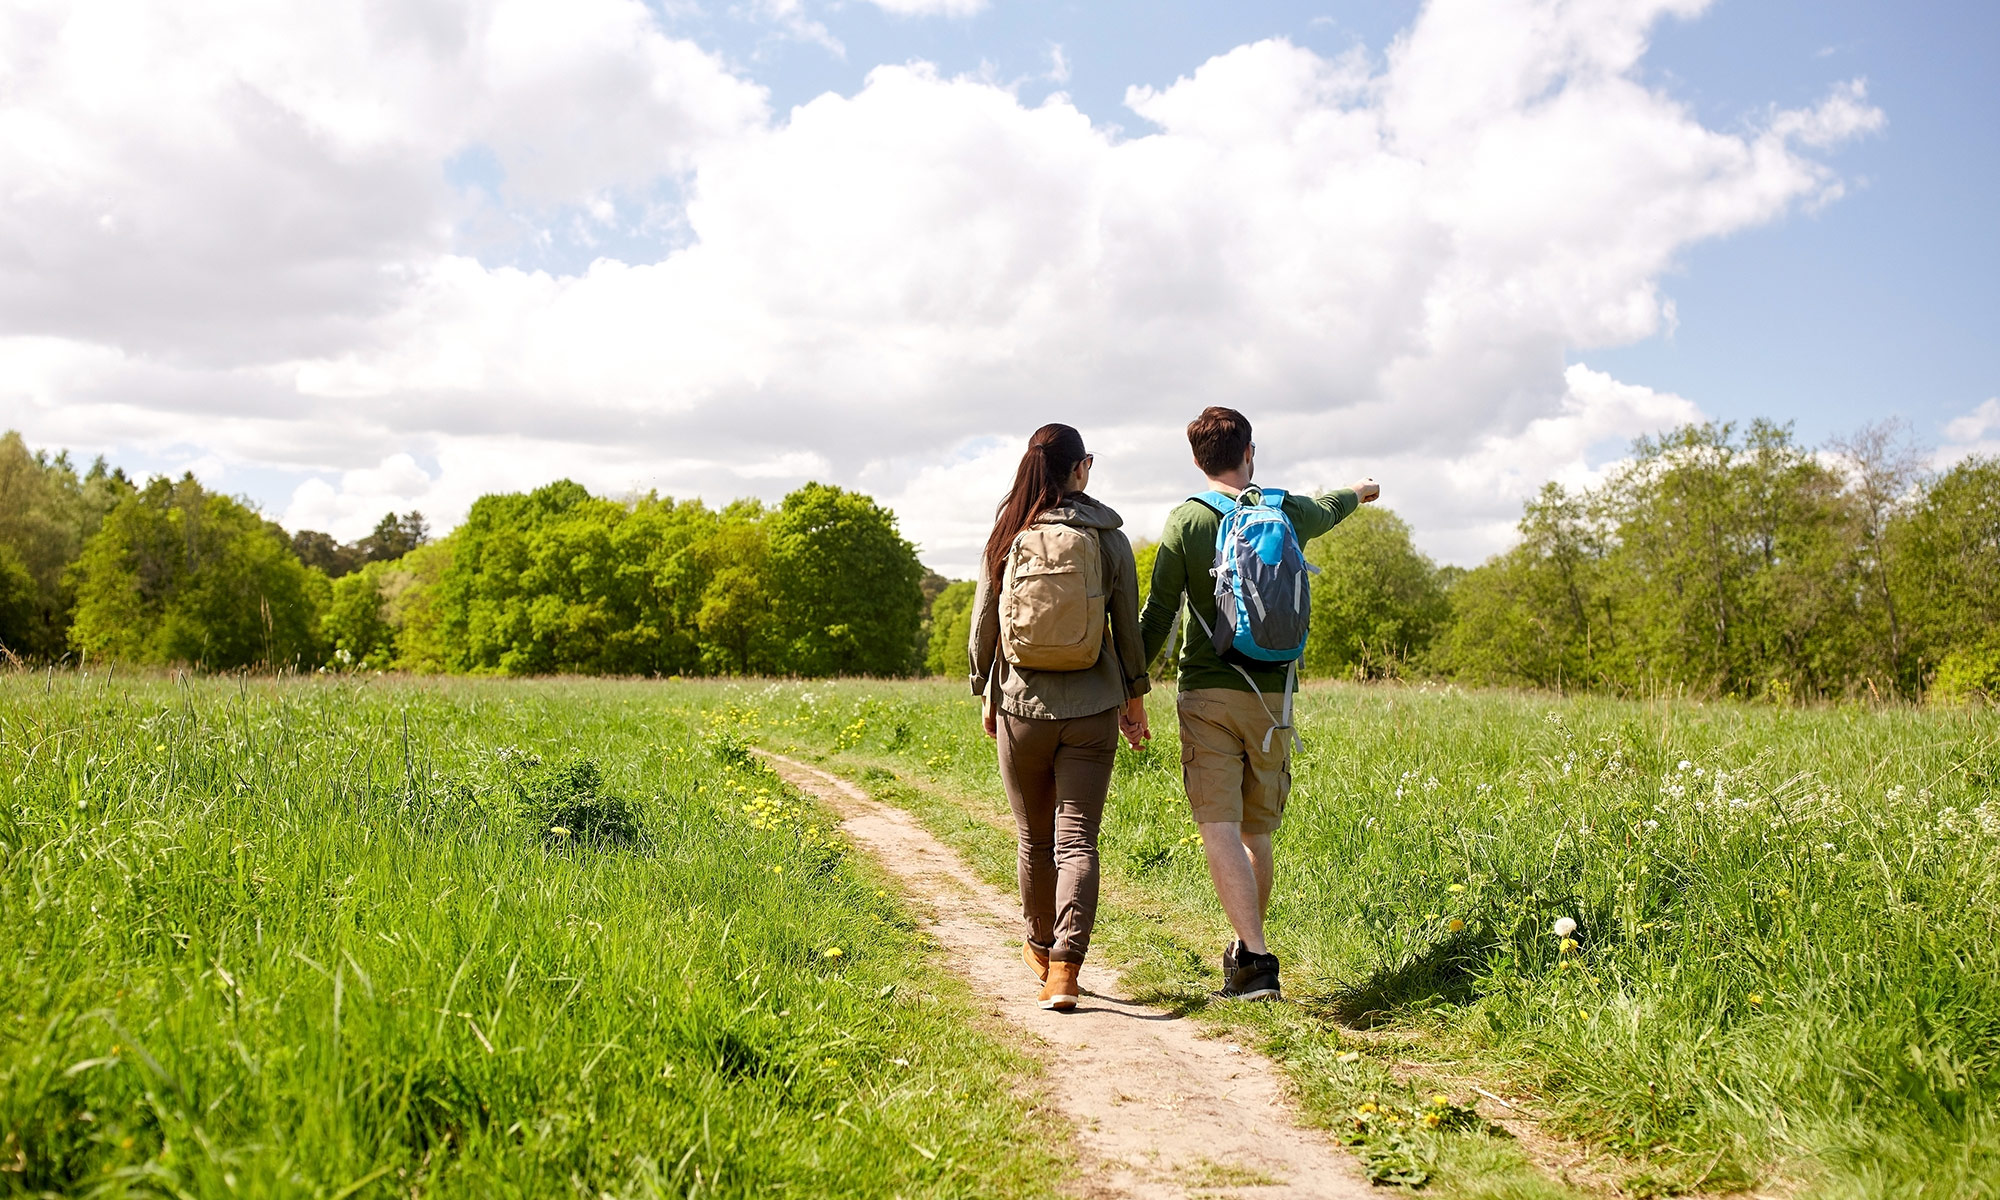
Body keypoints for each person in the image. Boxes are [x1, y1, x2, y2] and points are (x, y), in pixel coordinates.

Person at [1136, 407, 1378, 1000]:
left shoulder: (1187, 521)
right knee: (1256, 831)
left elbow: (1158, 613)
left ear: (1196, 460)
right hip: (1274, 697)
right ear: (1251, 452)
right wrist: (1361, 490)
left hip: (1208, 691)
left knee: (1217, 824)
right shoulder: (1284, 509)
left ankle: (1257, 961)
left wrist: (1128, 686)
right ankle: (1248, 948)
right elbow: (1330, 506)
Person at [969, 423, 1151, 1010]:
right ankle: (1066, 972)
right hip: (1093, 705)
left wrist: (986, 691)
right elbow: (1127, 626)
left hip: (1021, 703)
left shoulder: (1006, 535)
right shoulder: (1107, 538)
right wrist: (1134, 698)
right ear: (1080, 469)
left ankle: (1041, 944)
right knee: (1078, 842)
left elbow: (983, 626)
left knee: (1034, 837)